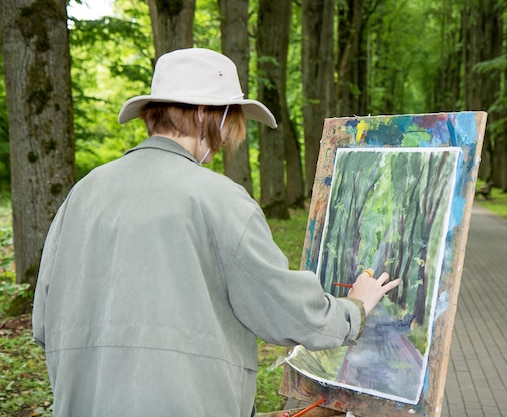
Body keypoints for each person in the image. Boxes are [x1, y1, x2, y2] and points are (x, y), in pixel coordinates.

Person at [32, 48, 400, 417]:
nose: (227, 136)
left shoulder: (82, 193)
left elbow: (44, 324)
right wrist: (354, 308)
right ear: (208, 113)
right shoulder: (219, 199)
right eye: (232, 118)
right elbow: (285, 310)